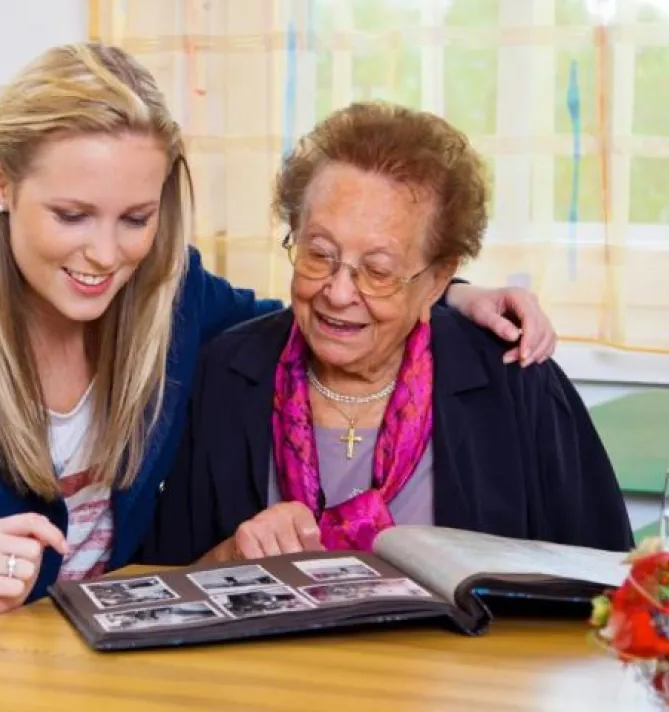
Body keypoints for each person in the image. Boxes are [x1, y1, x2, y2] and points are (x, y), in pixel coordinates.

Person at [0, 43, 558, 692]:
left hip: (88, 682)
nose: (106, 254)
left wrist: (447, 292)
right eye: (71, 215)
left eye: (137, 219)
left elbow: (317, 312)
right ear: (0, 182)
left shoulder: (170, 298)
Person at [138, 101, 633, 566]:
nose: (337, 292)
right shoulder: (226, 375)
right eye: (319, 254)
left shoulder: (515, 380)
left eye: (377, 271)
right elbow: (161, 586)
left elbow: (606, 585)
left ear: (437, 279)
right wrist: (229, 560)